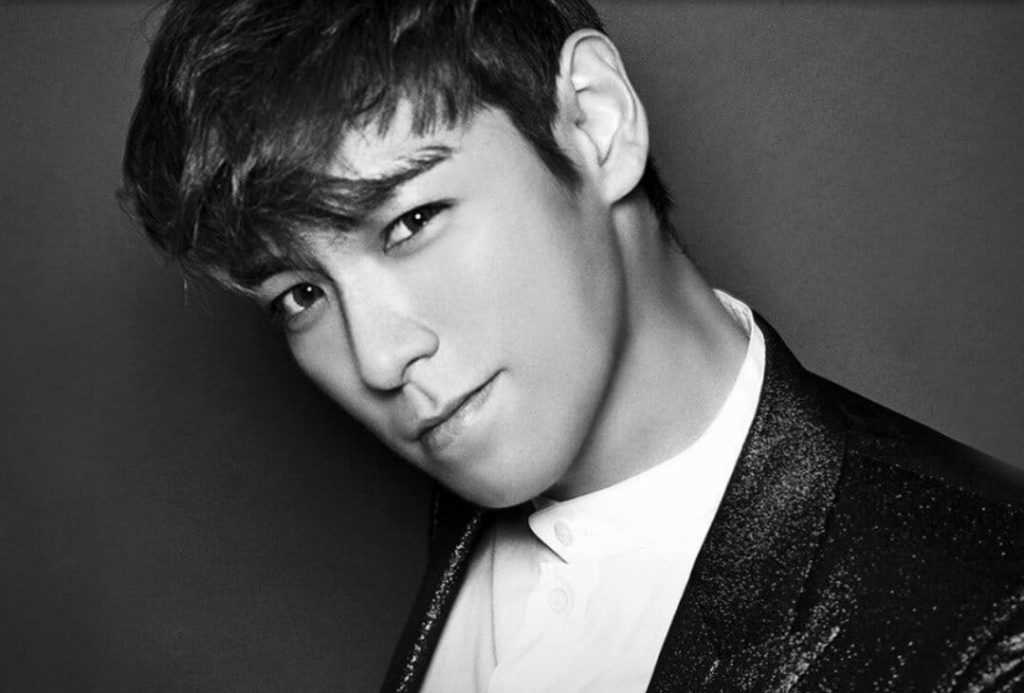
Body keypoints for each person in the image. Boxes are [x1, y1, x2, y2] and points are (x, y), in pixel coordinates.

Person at [120, 1, 1024, 690]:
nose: (378, 359)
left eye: (410, 223)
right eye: (302, 294)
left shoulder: (988, 620)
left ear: (595, 123)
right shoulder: (490, 443)